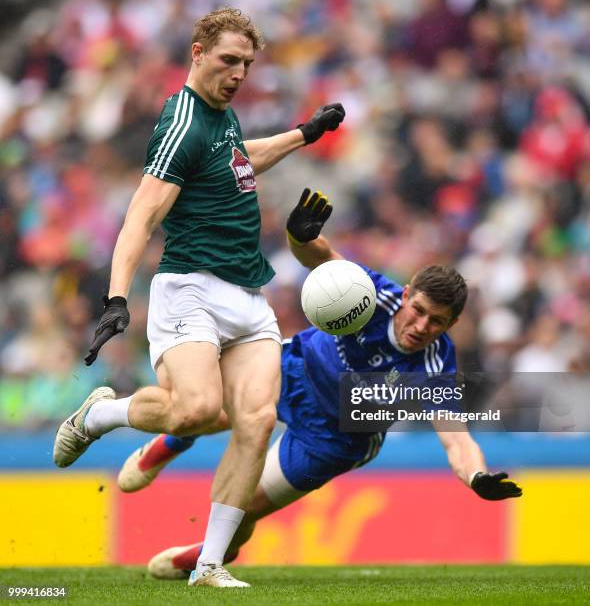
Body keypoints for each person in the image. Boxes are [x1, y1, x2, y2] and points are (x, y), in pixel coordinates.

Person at [52, 8, 345, 589]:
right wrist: (116, 297)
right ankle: (101, 414)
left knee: (257, 420)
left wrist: (303, 135)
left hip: (246, 293)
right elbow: (142, 213)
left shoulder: (220, 115)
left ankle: (208, 565)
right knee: (194, 411)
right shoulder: (184, 122)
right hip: (190, 287)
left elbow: (239, 163)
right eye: (228, 60)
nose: (238, 73)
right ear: (196, 52)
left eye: (246, 64)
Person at [115, 188, 523, 579]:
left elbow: (456, 438)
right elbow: (322, 258)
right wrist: (300, 235)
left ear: (451, 324)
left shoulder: (435, 365)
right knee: (206, 406)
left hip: (336, 435)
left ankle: (213, 551)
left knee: (243, 505)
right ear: (407, 293)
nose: (421, 326)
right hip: (298, 369)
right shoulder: (375, 295)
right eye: (418, 310)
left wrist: (476, 477)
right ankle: (173, 441)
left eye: (436, 321)